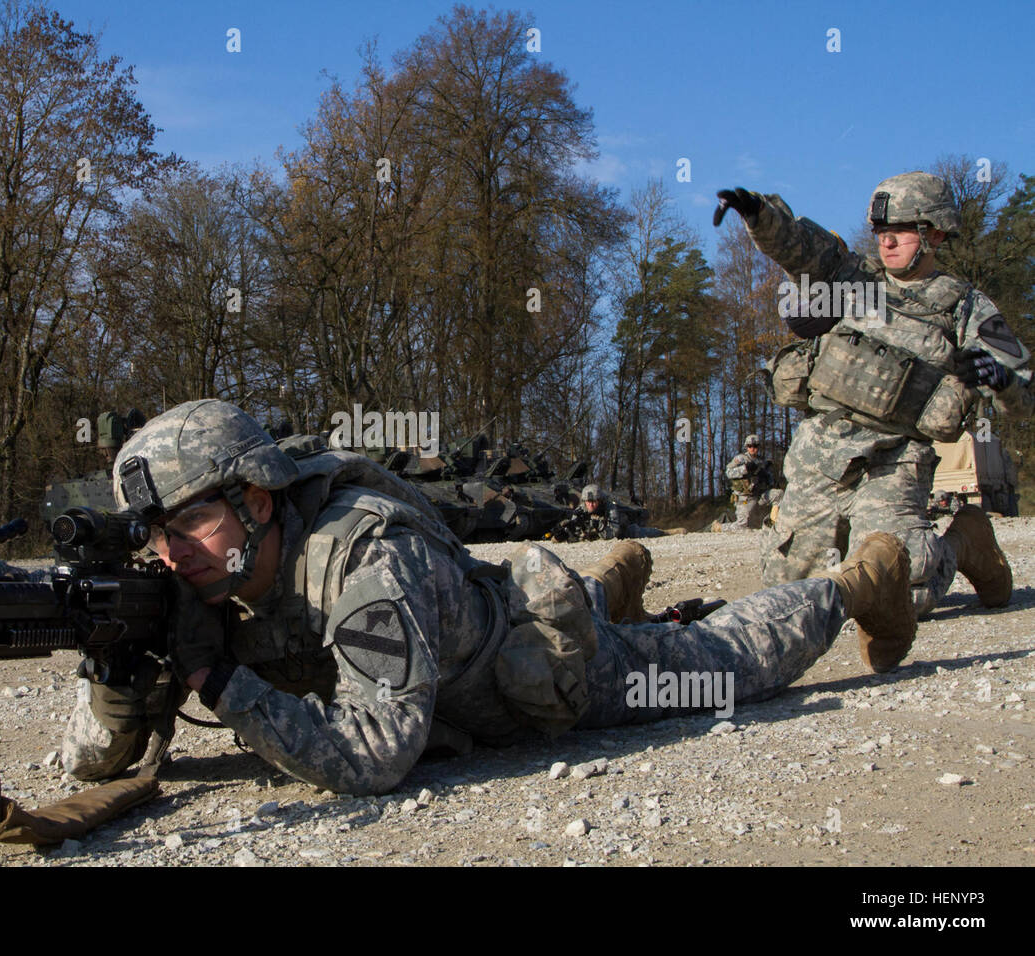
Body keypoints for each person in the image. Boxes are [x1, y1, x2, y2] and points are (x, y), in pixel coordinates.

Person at [61, 399, 917, 794]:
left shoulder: (361, 557)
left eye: (190, 522)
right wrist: (119, 670)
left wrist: (216, 683)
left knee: (720, 668)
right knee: (585, 592)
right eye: (153, 533)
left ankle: (853, 585)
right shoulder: (188, 580)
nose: (168, 553)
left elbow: (375, 757)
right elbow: (85, 763)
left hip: (534, 670)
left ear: (255, 500)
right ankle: (610, 580)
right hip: (467, 633)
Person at [714, 172, 1031, 616]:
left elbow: (1023, 394)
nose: (887, 240)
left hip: (894, 461)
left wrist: (1001, 380)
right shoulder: (853, 277)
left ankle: (965, 543)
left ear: (933, 232)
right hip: (823, 453)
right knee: (790, 592)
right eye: (881, 231)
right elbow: (800, 246)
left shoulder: (965, 307)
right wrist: (758, 214)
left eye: (900, 229)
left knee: (903, 593)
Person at [718, 435, 778, 531]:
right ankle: (720, 527)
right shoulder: (741, 459)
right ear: (746, 447)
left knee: (778, 494)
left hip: (759, 495)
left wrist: (769, 477)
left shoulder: (761, 461)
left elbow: (769, 478)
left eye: (755, 446)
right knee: (742, 526)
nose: (753, 449)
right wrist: (744, 469)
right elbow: (728, 473)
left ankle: (772, 522)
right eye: (750, 446)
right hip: (745, 497)